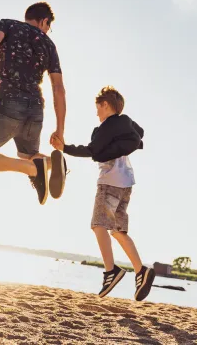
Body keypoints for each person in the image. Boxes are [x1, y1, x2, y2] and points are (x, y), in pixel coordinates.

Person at [51, 86, 154, 301]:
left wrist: (64, 148)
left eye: (97, 107)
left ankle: (111, 271)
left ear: (105, 105)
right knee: (117, 230)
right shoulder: (125, 123)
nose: (96, 112)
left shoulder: (108, 126)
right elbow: (140, 133)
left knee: (98, 225)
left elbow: (91, 150)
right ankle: (140, 270)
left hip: (109, 182)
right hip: (126, 183)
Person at [0, 2, 67, 205]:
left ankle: (31, 169)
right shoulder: (49, 44)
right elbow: (58, 88)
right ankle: (51, 164)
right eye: (48, 26)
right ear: (44, 21)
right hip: (37, 109)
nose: (47, 31)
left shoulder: (8, 25)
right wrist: (60, 131)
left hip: (11, 104)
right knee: (27, 154)